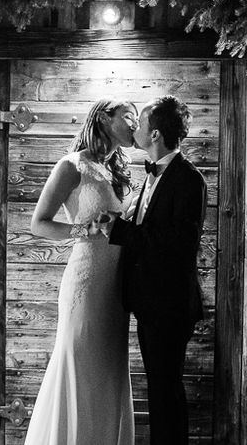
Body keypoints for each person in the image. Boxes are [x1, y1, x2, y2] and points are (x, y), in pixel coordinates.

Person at [24, 99, 138, 445]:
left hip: (117, 286)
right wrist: (81, 231)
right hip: (87, 282)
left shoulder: (119, 170)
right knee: (81, 365)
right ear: (104, 118)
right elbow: (38, 224)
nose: (134, 124)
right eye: (128, 117)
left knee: (108, 371)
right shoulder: (72, 166)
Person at [99, 95, 207, 445]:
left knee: (166, 388)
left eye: (141, 123)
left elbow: (178, 244)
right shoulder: (153, 174)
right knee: (160, 385)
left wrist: (120, 230)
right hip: (149, 302)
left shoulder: (189, 180)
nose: (136, 128)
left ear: (156, 133)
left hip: (170, 304)